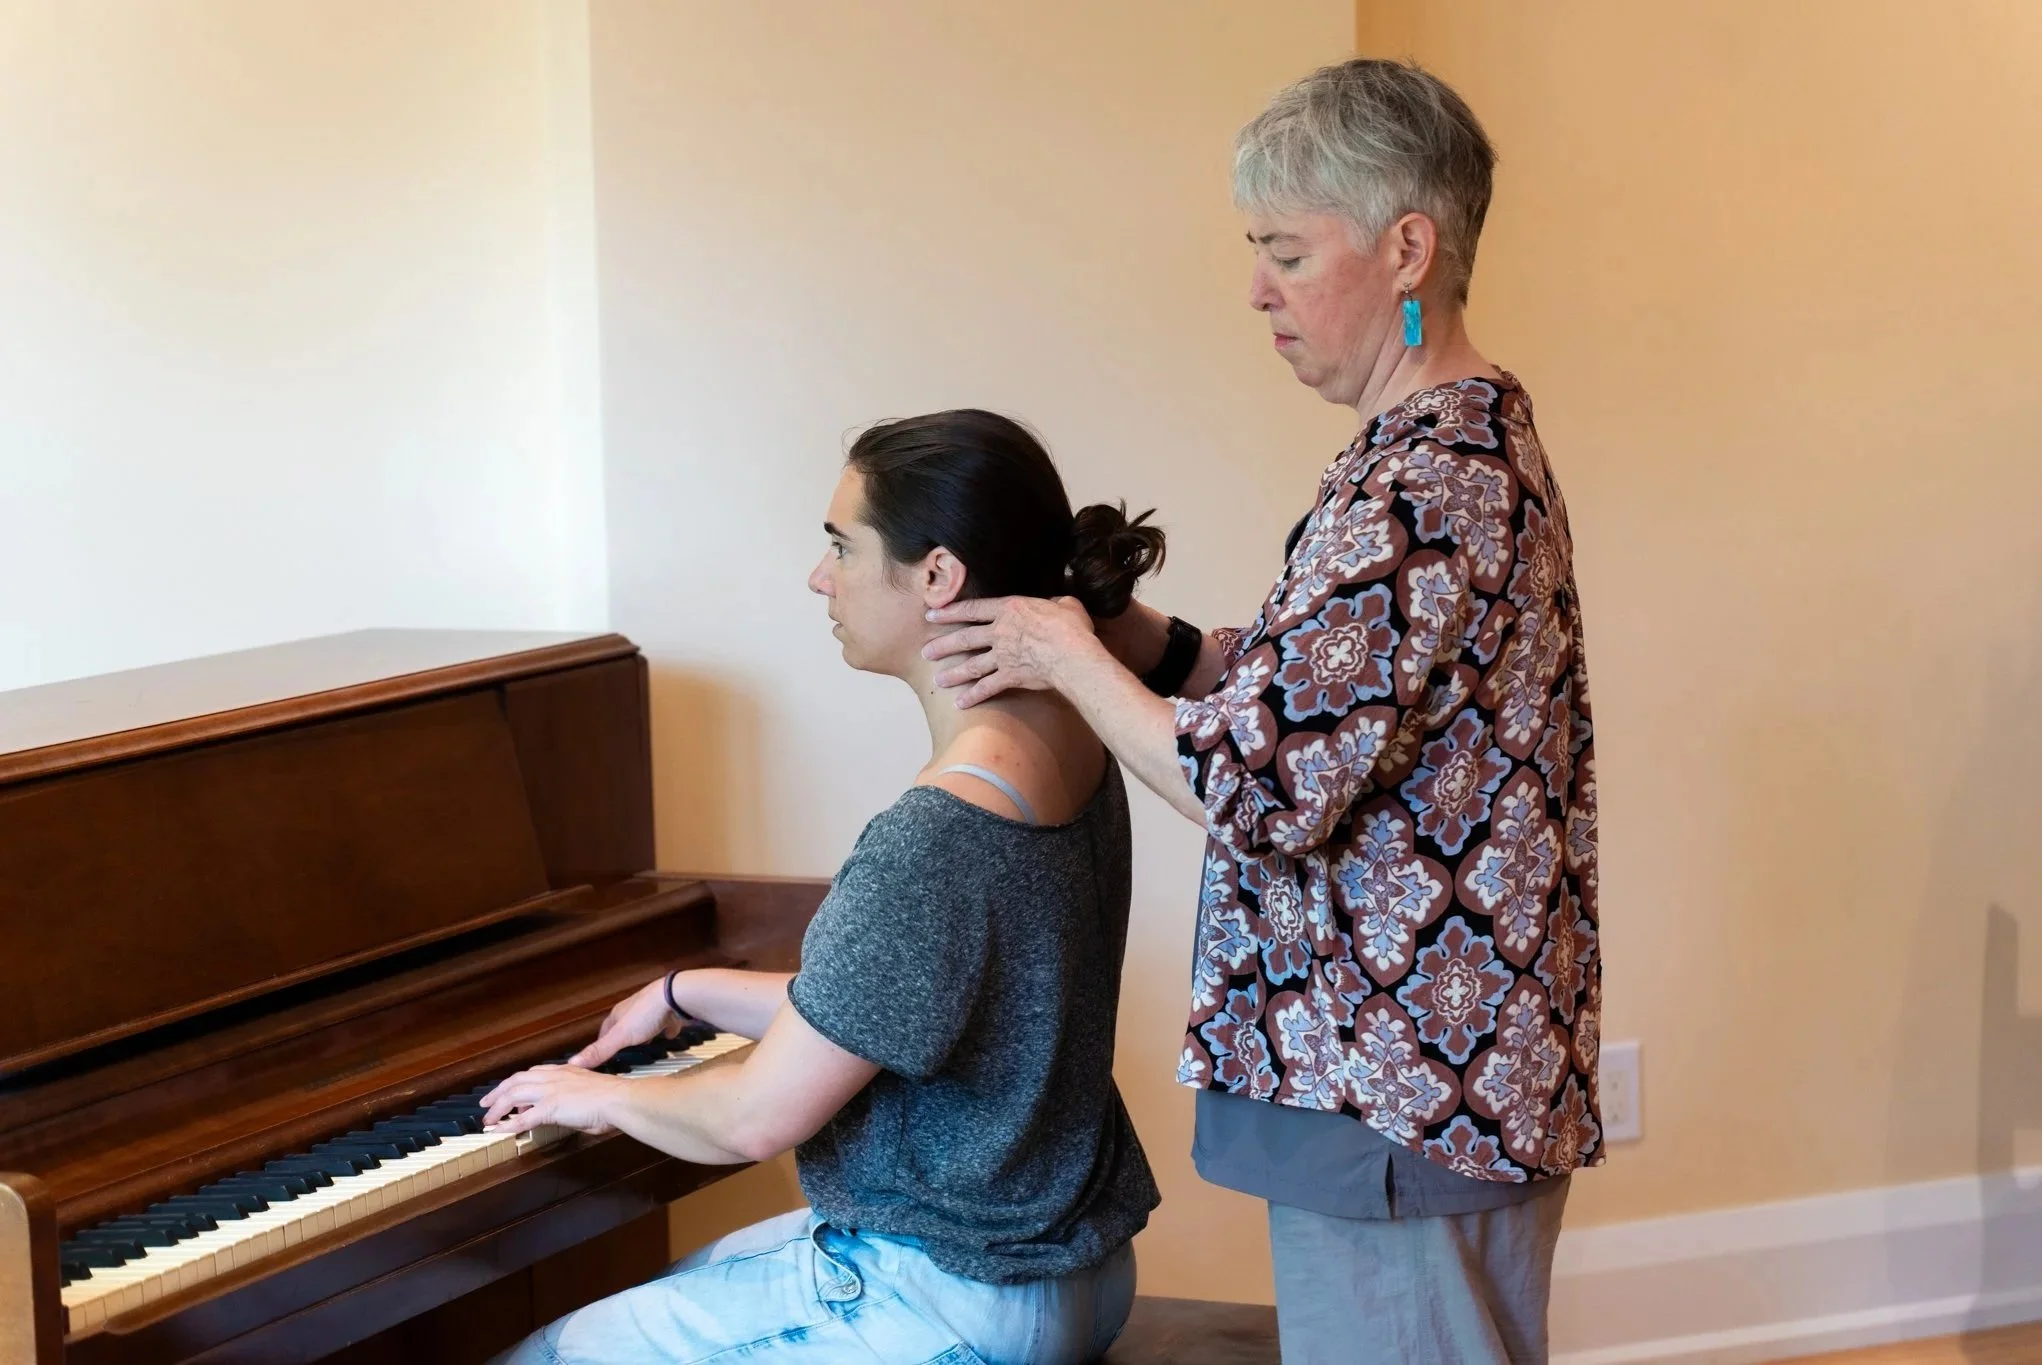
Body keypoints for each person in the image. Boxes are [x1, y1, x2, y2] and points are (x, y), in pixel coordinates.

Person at [925, 60, 1600, 1363]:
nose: (1255, 289)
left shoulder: (1431, 477)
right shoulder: (1426, 448)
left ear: (1408, 247)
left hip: (1407, 1093)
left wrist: (1067, 656)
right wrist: (1147, 644)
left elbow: (1263, 788)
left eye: (1284, 251)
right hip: (1406, 1084)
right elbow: (1321, 698)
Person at [483, 409, 1162, 1365]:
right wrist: (687, 990)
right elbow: (905, 1006)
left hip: (948, 1300)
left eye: (841, 545)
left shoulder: (934, 832)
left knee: (545, 1354)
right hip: (1077, 1276)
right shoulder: (1077, 739)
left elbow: (754, 1116)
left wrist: (595, 1098)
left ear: (936, 575)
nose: (819, 576)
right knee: (680, 1283)